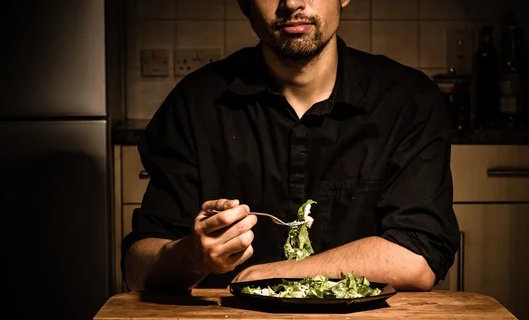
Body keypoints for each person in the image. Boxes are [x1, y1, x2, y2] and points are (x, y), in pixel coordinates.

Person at [121, 0, 460, 293]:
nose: (292, 3)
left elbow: (417, 258)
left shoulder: (409, 100)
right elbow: (136, 269)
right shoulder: (195, 103)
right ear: (243, 3)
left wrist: (270, 275)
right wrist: (191, 256)